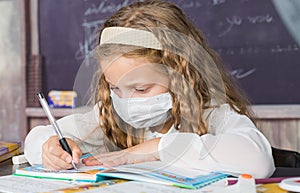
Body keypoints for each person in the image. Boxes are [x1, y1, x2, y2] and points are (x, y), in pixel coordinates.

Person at [24, 0, 275, 178]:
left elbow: (258, 161)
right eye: (115, 88)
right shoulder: (110, 115)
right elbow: (35, 140)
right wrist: (50, 148)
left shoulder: (213, 114)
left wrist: (156, 148)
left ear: (181, 76)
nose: (126, 102)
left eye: (141, 89)